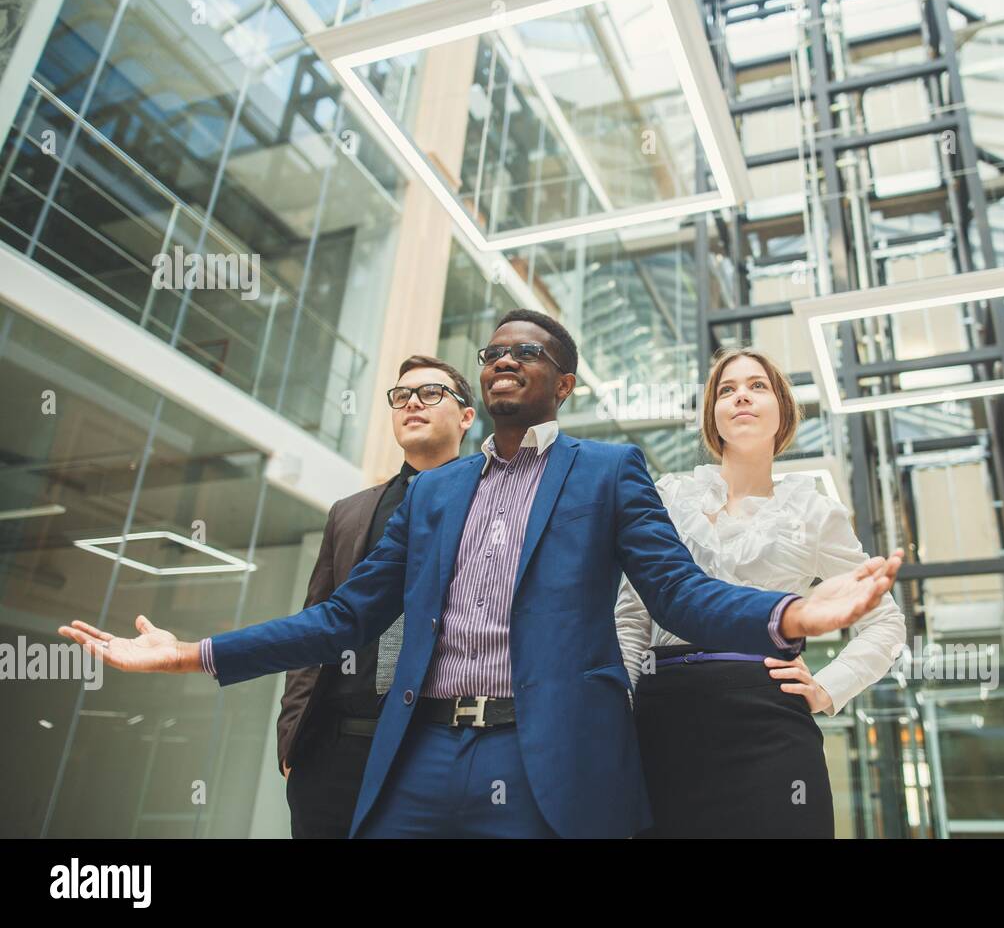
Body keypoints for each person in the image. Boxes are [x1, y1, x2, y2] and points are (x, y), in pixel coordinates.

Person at [60, 309, 903, 839]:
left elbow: (677, 593)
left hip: (540, 762)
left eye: (527, 350)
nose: (504, 358)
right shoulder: (437, 493)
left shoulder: (609, 471)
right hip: (420, 754)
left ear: (562, 384)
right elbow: (345, 616)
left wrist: (795, 615)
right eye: (494, 349)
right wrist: (197, 653)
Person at [616, 348, 907, 838]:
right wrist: (617, 712)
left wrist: (828, 688)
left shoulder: (815, 512)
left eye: (757, 386)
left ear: (782, 411)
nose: (741, 397)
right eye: (726, 390)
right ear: (713, 416)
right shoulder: (667, 497)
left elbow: (886, 622)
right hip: (662, 718)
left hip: (770, 723)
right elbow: (630, 618)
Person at [278, 355, 475, 838]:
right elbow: (316, 621)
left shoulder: (489, 503)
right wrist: (291, 737)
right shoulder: (350, 512)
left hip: (432, 742)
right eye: (402, 396)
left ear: (467, 415)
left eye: (431, 393)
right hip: (335, 746)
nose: (413, 403)